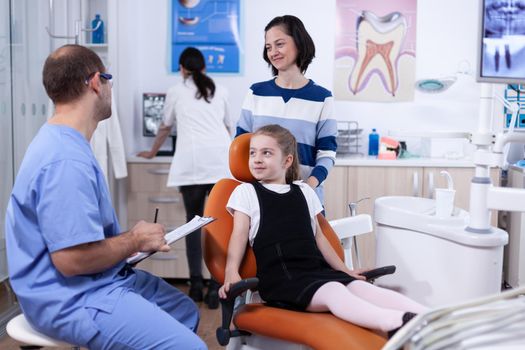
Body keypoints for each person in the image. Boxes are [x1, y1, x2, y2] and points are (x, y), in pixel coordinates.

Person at [5, 44, 206, 350]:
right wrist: (134, 240)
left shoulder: (64, 142)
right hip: (69, 298)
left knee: (184, 311)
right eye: (109, 79)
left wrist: (132, 241)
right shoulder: (65, 161)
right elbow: (71, 260)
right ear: (97, 82)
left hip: (94, 281)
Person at [219, 124, 428, 337]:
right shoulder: (246, 192)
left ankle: (430, 317)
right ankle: (395, 323)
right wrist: (231, 271)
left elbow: (319, 237)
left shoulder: (303, 191)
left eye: (267, 153)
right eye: (253, 153)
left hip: (316, 271)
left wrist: (344, 271)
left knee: (361, 288)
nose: (257, 159)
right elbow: (239, 235)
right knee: (334, 291)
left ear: (287, 160)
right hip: (282, 279)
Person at [138, 47, 231, 308]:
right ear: (203, 67)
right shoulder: (220, 90)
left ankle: (196, 286)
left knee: (193, 224)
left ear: (182, 68)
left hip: (191, 165)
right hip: (220, 164)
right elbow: (229, 128)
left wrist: (152, 152)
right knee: (217, 227)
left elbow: (166, 126)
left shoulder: (176, 91)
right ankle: (216, 287)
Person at [236, 15, 337, 204]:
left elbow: (327, 154)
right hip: (261, 200)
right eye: (268, 47)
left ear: (298, 43)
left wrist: (309, 185)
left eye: (279, 44)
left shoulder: (322, 98)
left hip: (306, 198)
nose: (273, 52)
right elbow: (241, 146)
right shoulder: (256, 93)